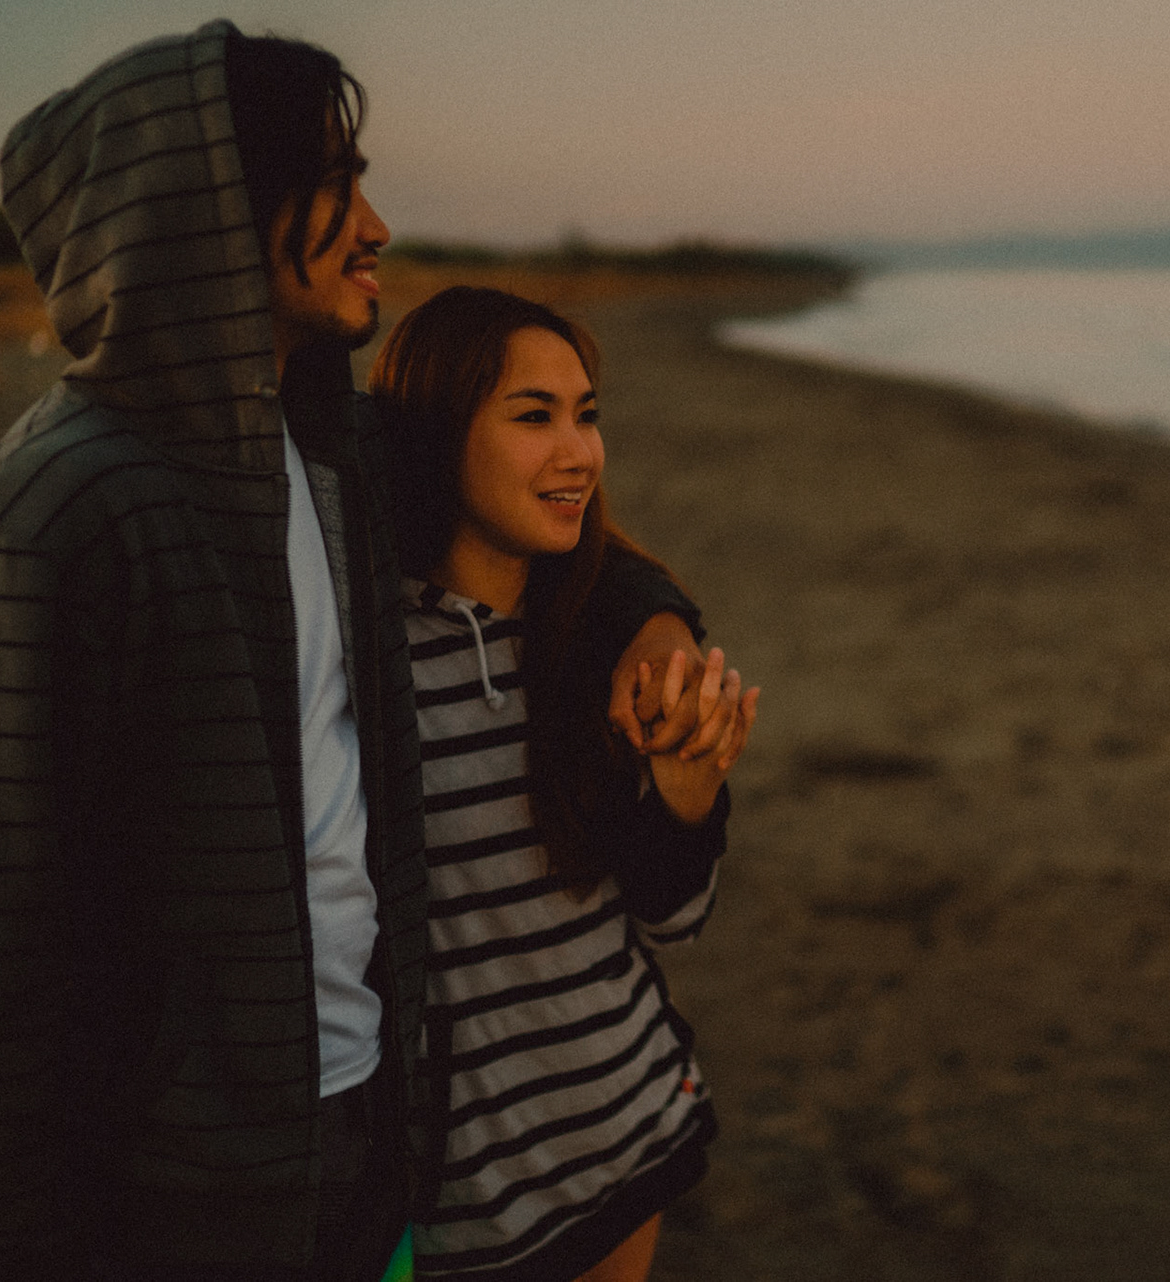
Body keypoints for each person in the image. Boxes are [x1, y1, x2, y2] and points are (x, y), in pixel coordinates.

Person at [0, 25, 698, 1282]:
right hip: (176, 1189)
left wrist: (652, 617)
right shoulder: (56, 512)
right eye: (337, 182)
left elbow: (540, 502)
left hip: (375, 1138)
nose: (376, 225)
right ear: (213, 209)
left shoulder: (335, 450)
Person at [369, 286, 756, 1282]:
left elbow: (673, 915)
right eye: (533, 416)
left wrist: (687, 786)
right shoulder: (363, 663)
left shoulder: (598, 648)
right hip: (461, 1194)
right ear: (436, 430)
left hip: (624, 1128)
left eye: (587, 415)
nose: (577, 453)